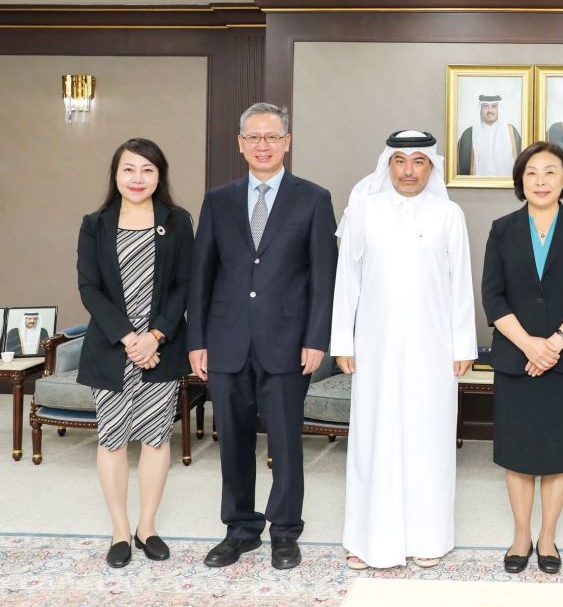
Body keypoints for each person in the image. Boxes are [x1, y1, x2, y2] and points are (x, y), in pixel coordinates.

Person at [188, 102, 338, 570]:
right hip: (226, 341)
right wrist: (197, 341)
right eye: (253, 137)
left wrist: (317, 339)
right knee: (232, 441)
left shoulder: (313, 198)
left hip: (288, 344)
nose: (263, 145)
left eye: (272, 136)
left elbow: (324, 278)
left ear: (287, 142)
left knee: (286, 444)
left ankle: (285, 532)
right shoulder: (218, 200)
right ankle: (240, 529)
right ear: (240, 144)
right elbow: (201, 276)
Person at [331, 131, 477, 571]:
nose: (409, 170)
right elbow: (347, 280)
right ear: (388, 165)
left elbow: (460, 283)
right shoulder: (364, 209)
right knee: (374, 439)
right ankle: (368, 539)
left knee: (428, 439)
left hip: (434, 347)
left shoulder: (449, 214)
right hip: (373, 346)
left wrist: (463, 345)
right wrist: (342, 341)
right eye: (400, 161)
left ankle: (428, 537)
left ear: (431, 166)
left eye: (418, 161)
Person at [481, 141, 563, 575]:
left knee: (557, 453)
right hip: (516, 360)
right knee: (517, 452)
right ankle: (521, 536)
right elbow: (493, 296)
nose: (541, 180)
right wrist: (530, 345)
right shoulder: (502, 229)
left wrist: (553, 344)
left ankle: (547, 536)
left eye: (551, 171)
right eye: (531, 172)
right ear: (520, 180)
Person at [76, 138, 194, 568]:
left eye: (147, 169)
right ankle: (120, 530)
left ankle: (147, 527)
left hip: (160, 349)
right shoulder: (95, 223)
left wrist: (155, 336)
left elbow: (184, 285)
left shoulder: (177, 221)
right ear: (116, 174)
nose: (138, 178)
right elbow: (89, 288)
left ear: (160, 175)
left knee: (156, 438)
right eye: (129, 169)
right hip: (113, 349)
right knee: (111, 440)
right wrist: (130, 339)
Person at [457, 94, 522, 176]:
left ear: (499, 109)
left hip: (506, 184)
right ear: (480, 109)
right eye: (485, 106)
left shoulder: (512, 133)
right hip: (477, 184)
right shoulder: (469, 134)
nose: (490, 111)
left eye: (494, 106)